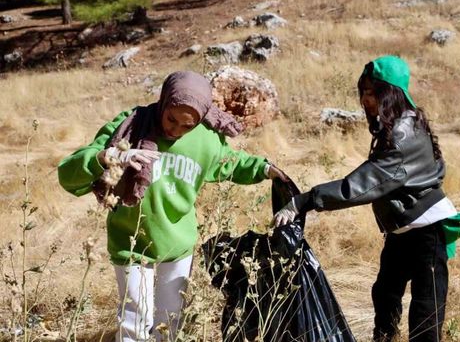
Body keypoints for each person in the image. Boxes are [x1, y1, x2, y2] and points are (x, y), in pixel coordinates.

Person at [58, 71, 288, 341]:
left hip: (177, 245)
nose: (175, 130)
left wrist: (266, 169)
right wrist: (111, 155)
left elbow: (233, 162)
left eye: (186, 126)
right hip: (130, 241)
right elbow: (68, 172)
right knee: (133, 323)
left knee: (169, 324)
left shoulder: (206, 139)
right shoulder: (132, 126)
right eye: (171, 119)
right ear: (164, 101)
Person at [273, 56, 460, 342]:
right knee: (385, 293)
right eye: (363, 92)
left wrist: (304, 201)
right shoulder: (401, 124)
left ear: (391, 93)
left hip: (427, 230)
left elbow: (361, 185)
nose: (365, 100)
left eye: (372, 92)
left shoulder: (403, 136)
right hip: (403, 228)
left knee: (426, 307)